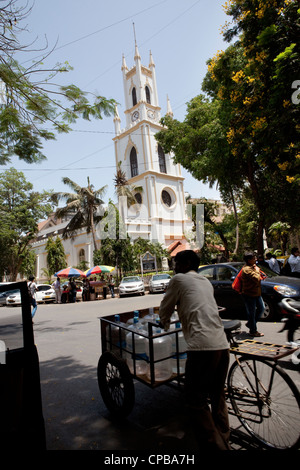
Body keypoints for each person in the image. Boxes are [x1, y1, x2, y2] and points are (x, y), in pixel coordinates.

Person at [159, 250, 231, 451]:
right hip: (221, 345)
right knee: (218, 395)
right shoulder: (205, 281)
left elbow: (165, 307)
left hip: (202, 348)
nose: (174, 267)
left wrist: (163, 322)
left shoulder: (179, 280)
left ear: (186, 264)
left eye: (176, 263)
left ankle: (216, 448)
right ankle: (224, 436)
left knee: (195, 399)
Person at [241, 252, 265, 337]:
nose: (256, 259)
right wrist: (257, 270)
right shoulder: (247, 269)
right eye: (254, 258)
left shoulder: (253, 267)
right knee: (251, 312)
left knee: (262, 308)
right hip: (249, 294)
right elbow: (257, 278)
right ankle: (253, 331)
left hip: (256, 293)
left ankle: (251, 323)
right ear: (249, 260)